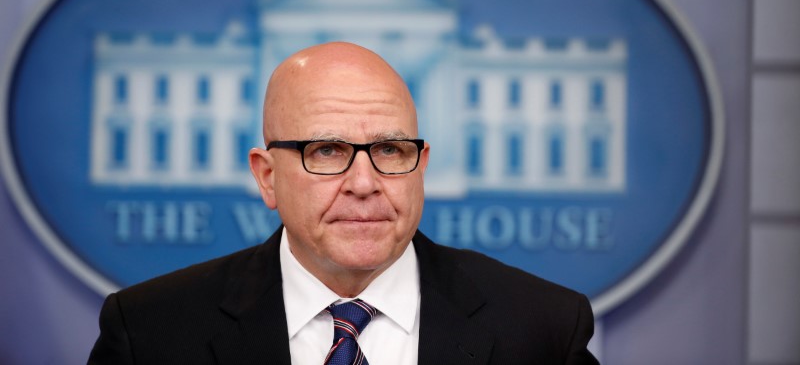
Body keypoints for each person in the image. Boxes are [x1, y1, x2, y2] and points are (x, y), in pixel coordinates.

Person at [88, 42, 599, 364]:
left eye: (390, 149)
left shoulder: (543, 328)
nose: (364, 182)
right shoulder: (151, 334)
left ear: (421, 167)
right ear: (267, 178)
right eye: (326, 150)